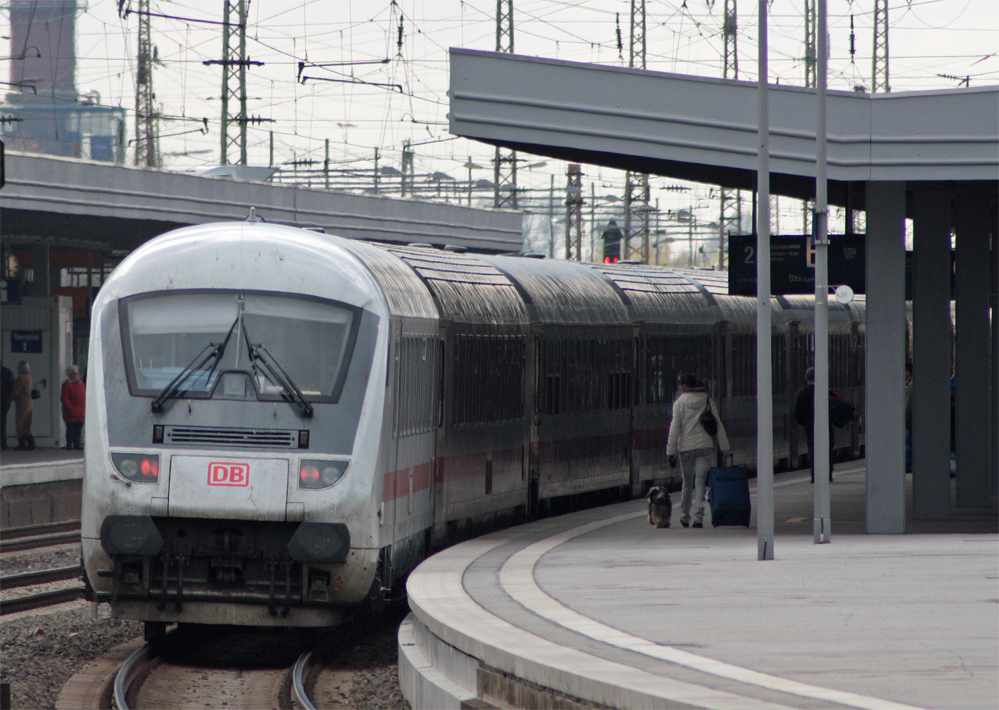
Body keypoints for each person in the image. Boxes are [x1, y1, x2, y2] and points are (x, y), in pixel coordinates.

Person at [666, 374, 731, 528]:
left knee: (687, 483)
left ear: (683, 386)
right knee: (701, 481)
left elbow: (674, 429)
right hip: (705, 447)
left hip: (686, 448)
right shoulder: (707, 400)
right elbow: (718, 424)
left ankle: (684, 516)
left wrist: (671, 451)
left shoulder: (679, 403)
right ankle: (699, 518)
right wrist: (725, 448)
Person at [794, 366, 834, 483]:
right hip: (826, 427)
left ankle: (814, 475)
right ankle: (827, 473)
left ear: (806, 378)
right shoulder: (826, 391)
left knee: (813, 450)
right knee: (827, 449)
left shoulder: (803, 393)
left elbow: (797, 411)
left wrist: (804, 423)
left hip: (810, 427)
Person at [11, 361, 35, 451]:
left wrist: (11, 397)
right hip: (29, 402)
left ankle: (22, 444)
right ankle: (31, 443)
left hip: (22, 403)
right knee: (28, 423)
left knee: (20, 423)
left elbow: (16, 392)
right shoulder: (29, 377)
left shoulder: (20, 378)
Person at [62, 365, 86, 450]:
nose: (75, 375)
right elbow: (64, 398)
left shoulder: (81, 384)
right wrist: (71, 408)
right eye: (73, 374)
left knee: (78, 429)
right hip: (70, 411)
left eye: (76, 373)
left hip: (80, 410)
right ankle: (69, 444)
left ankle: (77, 444)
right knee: (70, 429)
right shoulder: (67, 385)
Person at [0, 364, 13, 450]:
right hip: (4, 400)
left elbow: (12, 386)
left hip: (3, 401)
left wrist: (9, 398)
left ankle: (3, 443)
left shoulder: (7, 372)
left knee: (2, 422)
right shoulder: (7, 372)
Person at [904, 362, 913, 473]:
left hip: (909, 419)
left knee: (907, 444)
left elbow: (908, 404)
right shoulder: (908, 384)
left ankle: (907, 465)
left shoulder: (911, 386)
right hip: (909, 419)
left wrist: (905, 419)